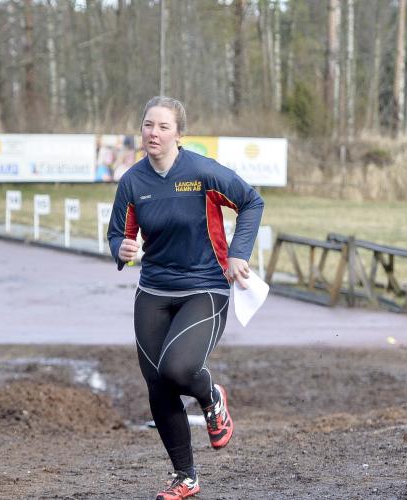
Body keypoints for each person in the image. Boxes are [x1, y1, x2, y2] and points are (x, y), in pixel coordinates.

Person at [107, 96, 264, 500]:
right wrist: (121, 249)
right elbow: (117, 234)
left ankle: (211, 396)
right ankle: (185, 477)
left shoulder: (202, 172)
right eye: (147, 125)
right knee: (157, 385)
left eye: (162, 127)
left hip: (204, 287)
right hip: (154, 291)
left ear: (179, 134)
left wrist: (238, 254)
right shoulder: (133, 181)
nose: (153, 133)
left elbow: (251, 201)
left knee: (178, 369)